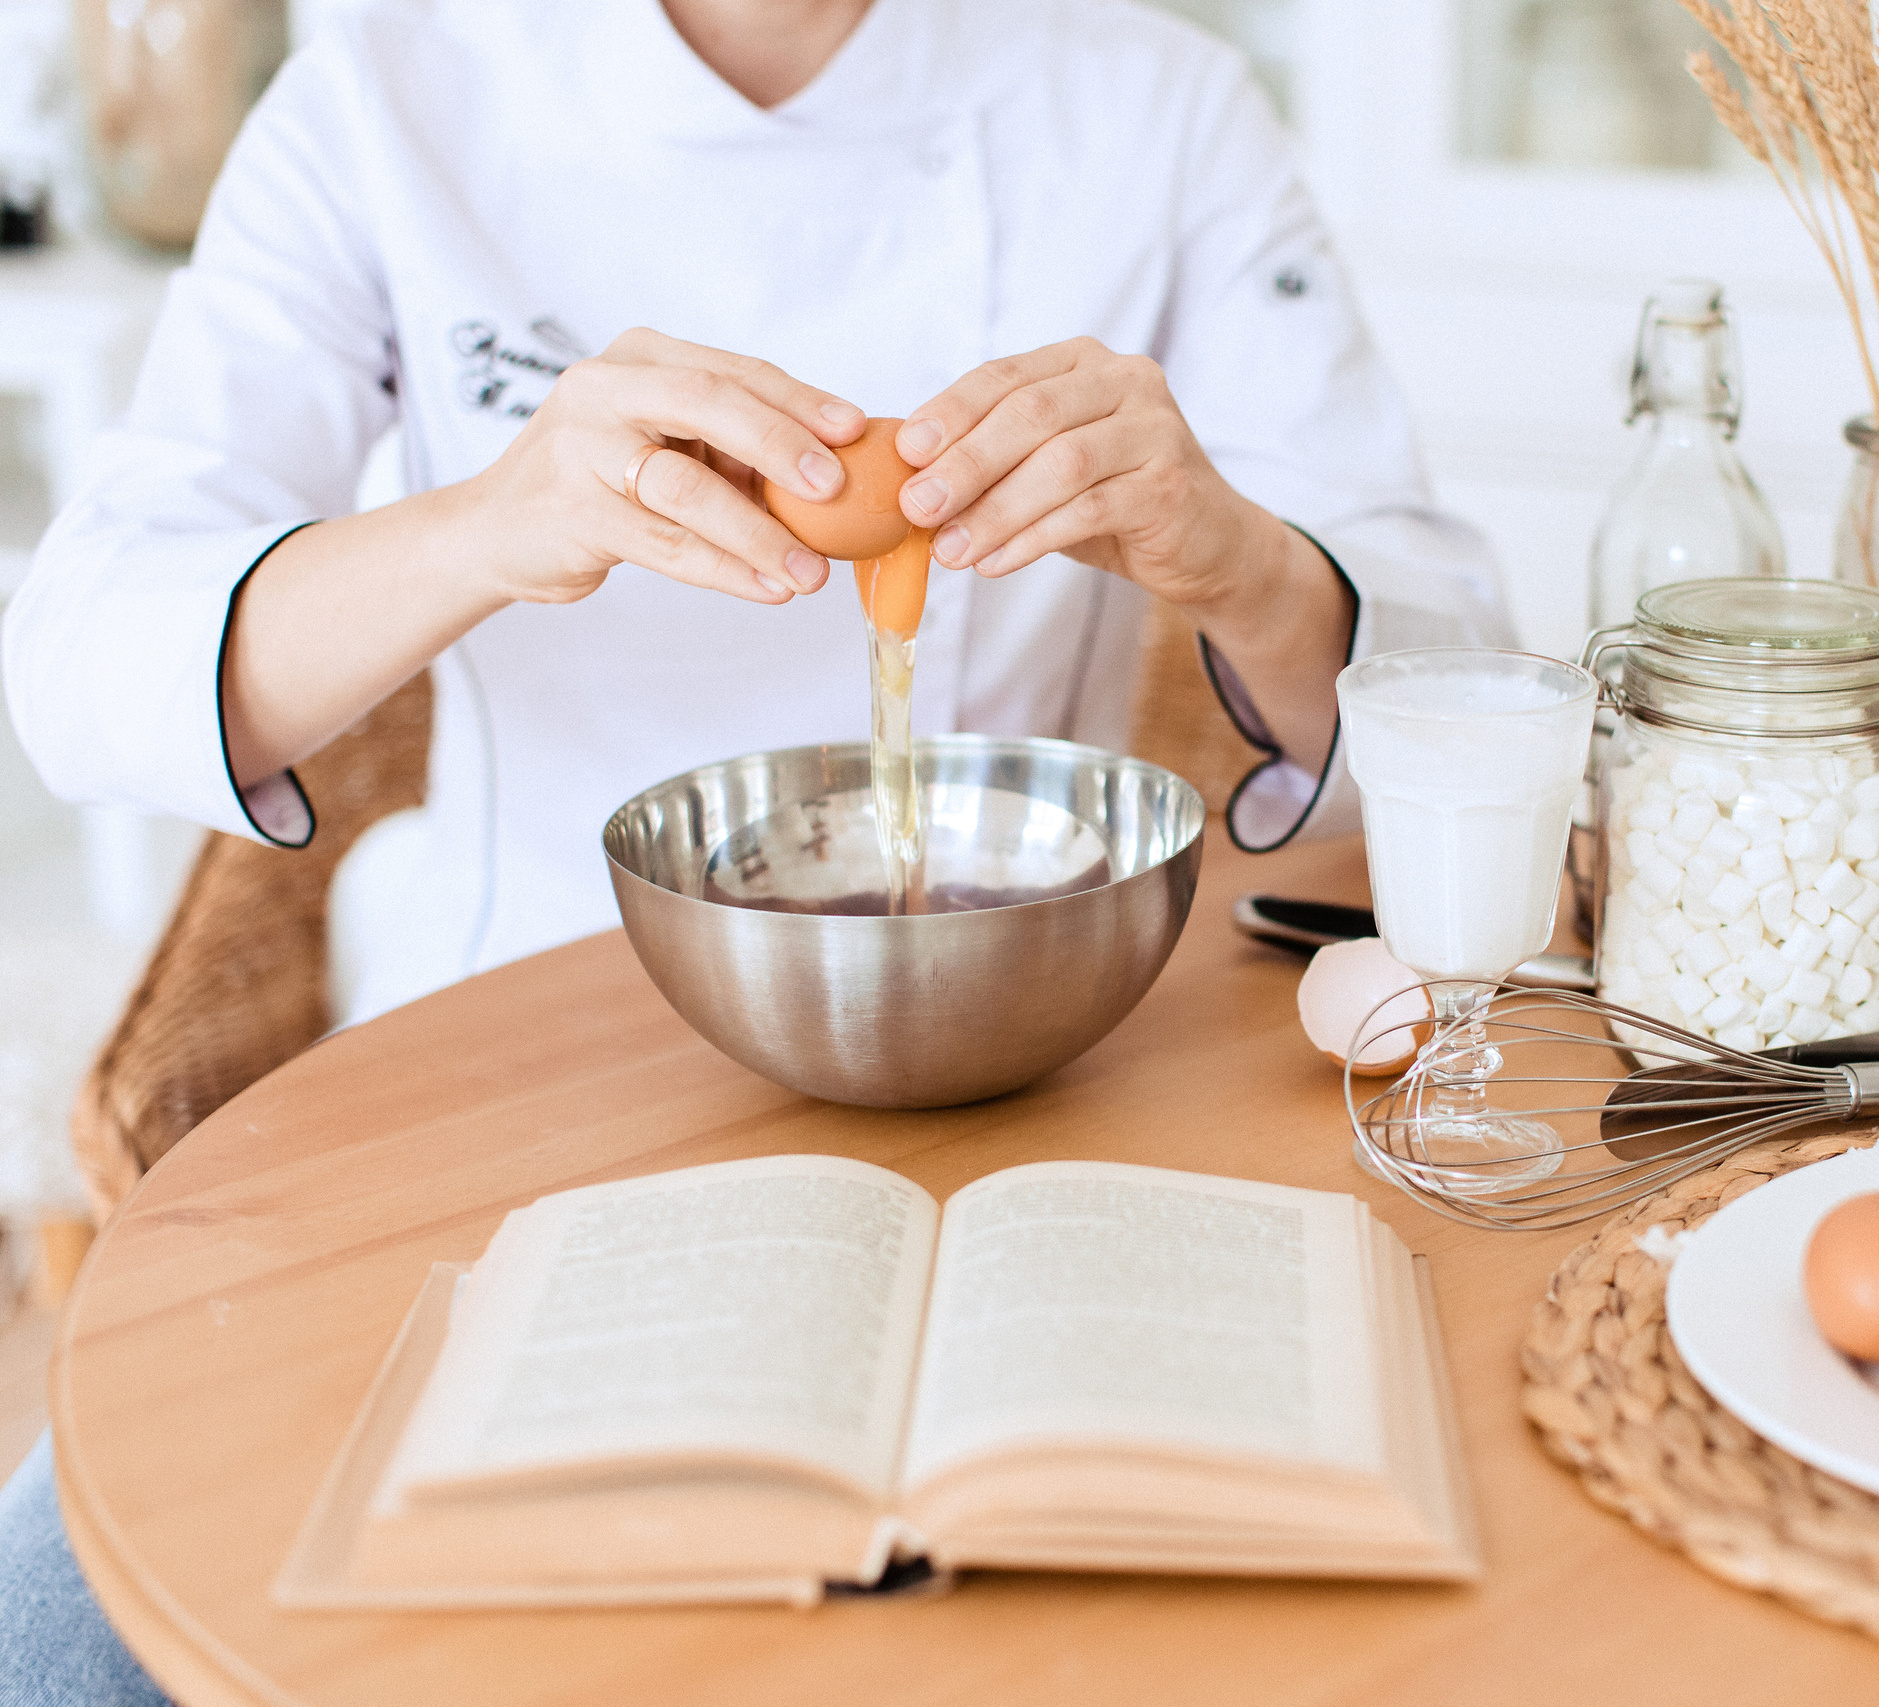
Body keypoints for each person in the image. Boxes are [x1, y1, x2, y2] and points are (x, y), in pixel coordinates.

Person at [0, 0, 1512, 1695]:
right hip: (494, 1109)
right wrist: (487, 525)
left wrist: (1233, 553)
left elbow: (1452, 688)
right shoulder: (388, 93)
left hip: (1029, 1103)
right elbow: (79, 665)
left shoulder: (1155, 102)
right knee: (67, 1635)